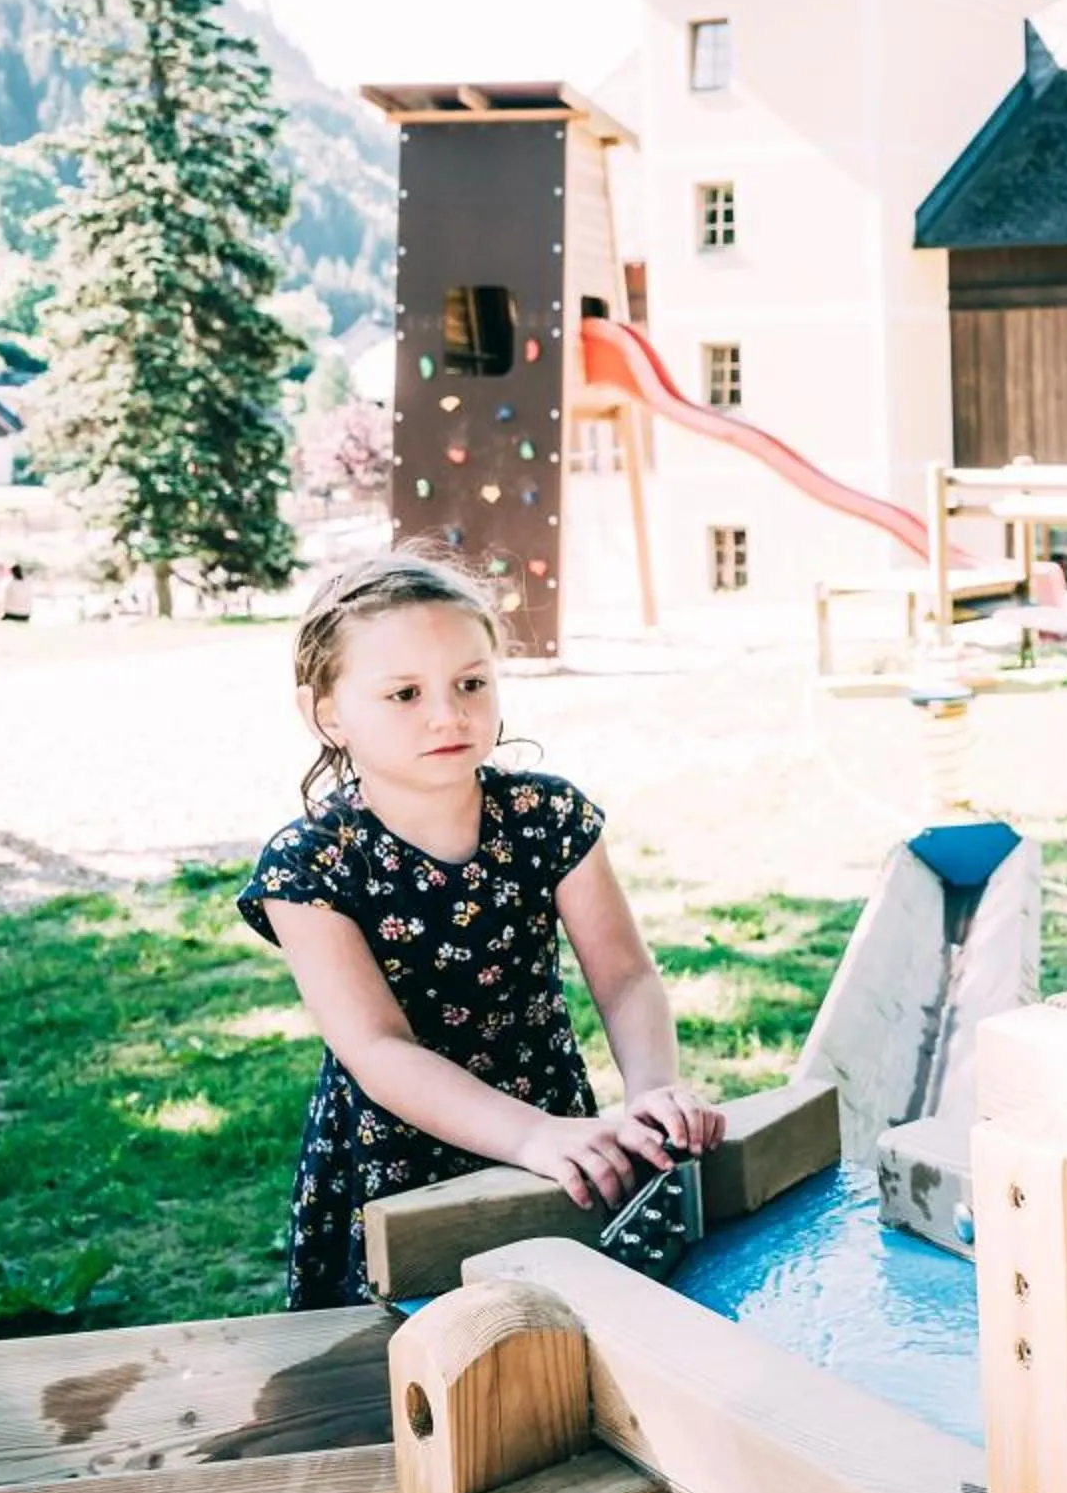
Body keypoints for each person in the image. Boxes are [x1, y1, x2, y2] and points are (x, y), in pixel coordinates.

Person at [238, 550, 723, 1312]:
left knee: (566, 1336)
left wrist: (652, 1090)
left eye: (471, 683)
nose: (448, 715)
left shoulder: (546, 817)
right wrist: (529, 1135)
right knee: (411, 1361)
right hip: (400, 1161)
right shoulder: (310, 865)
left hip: (556, 1137)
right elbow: (378, 1049)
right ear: (326, 714)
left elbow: (626, 977)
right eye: (404, 693)